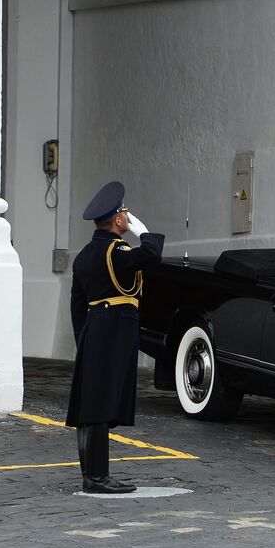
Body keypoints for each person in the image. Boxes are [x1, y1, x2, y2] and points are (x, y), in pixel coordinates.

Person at [65, 181, 164, 494]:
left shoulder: (83, 256)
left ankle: (93, 474)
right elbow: (151, 257)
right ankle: (96, 478)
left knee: (93, 401)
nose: (127, 216)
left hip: (95, 329)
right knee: (99, 402)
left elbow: (77, 306)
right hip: (114, 330)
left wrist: (84, 338)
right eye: (124, 212)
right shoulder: (117, 251)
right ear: (118, 221)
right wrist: (145, 235)